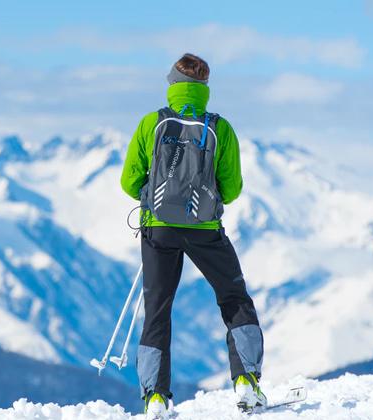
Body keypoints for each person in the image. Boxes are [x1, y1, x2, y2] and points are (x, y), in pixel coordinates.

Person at [119, 53, 265, 418]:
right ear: (205, 88)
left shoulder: (151, 124)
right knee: (233, 298)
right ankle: (246, 380)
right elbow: (231, 190)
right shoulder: (220, 128)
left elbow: (128, 181)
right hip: (205, 230)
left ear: (171, 84)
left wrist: (153, 196)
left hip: (158, 229)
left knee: (158, 309)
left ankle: (155, 397)